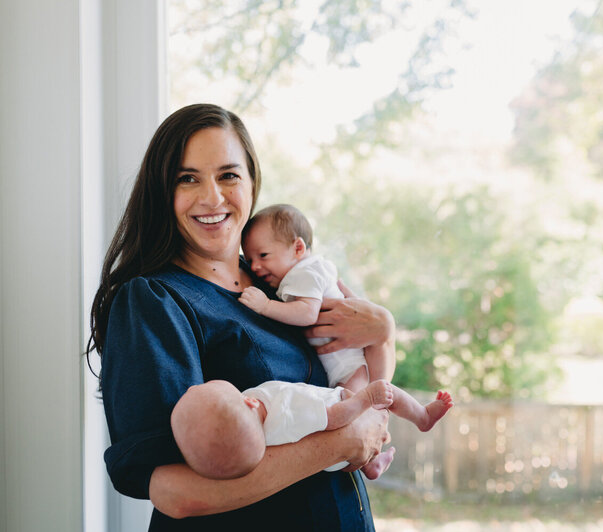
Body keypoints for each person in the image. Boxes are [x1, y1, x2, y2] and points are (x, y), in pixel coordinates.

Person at [87, 103, 393, 531]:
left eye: (228, 175)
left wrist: (384, 332)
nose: (212, 197)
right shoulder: (152, 302)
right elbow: (176, 492)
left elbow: (355, 358)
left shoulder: (280, 284)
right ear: (162, 192)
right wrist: (342, 441)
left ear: (252, 183)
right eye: (187, 178)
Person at [239, 204, 454, 436]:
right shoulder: (309, 270)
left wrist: (266, 306)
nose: (255, 266)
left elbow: (306, 313)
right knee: (373, 399)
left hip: (345, 365)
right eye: (249, 259)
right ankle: (417, 420)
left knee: (352, 411)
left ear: (298, 248)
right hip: (348, 361)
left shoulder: (303, 273)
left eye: (263, 255)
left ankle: (419, 419)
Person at [171, 379, 400, 481]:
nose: (192, 386)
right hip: (341, 424)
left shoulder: (250, 435)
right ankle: (372, 463)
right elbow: (332, 419)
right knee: (390, 394)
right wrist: (367, 398)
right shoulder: (283, 411)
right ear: (249, 401)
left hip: (336, 459)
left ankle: (372, 466)